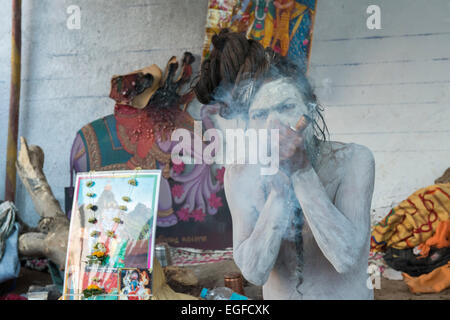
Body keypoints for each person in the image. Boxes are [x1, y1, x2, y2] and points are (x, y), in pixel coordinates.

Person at [194, 29, 376, 299]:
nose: (276, 125)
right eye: (261, 114)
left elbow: (346, 258)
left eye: (286, 107)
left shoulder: (354, 161)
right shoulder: (239, 174)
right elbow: (254, 273)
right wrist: (279, 193)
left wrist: (302, 172)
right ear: (249, 125)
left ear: (310, 110)